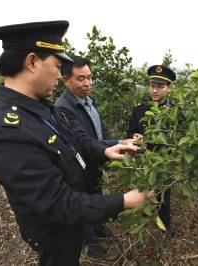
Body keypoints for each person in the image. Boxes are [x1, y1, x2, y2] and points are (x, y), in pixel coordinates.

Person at [0, 20, 153, 266]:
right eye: (57, 65)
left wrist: (107, 149)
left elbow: (75, 142)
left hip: (73, 219)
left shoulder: (39, 106)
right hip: (55, 230)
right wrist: (124, 201)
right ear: (32, 62)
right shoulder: (7, 131)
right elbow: (57, 203)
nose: (59, 74)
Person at [54, 56, 134, 258]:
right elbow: (81, 140)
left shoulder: (89, 101)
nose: (88, 83)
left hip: (94, 160)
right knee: (83, 200)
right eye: (81, 79)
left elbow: (101, 132)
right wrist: (109, 148)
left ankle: (97, 226)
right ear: (65, 80)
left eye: (90, 77)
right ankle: (90, 243)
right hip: (79, 164)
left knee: (95, 192)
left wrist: (119, 142)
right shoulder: (63, 107)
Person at [126, 65, 176, 233]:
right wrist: (136, 138)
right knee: (141, 191)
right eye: (152, 86)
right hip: (143, 161)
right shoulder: (140, 110)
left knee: (163, 195)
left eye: (160, 87)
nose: (155, 90)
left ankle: (164, 226)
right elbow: (130, 131)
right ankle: (141, 225)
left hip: (165, 162)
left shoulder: (176, 111)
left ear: (168, 88)